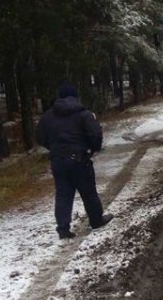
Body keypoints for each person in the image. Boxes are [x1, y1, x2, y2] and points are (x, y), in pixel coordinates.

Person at [36, 83, 113, 239]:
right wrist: (92, 149)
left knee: (63, 195)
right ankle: (96, 220)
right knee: (88, 192)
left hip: (58, 161)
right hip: (80, 159)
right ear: (76, 97)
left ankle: (63, 228)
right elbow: (95, 135)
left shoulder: (48, 116)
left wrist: (54, 148)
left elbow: (40, 137)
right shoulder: (84, 114)